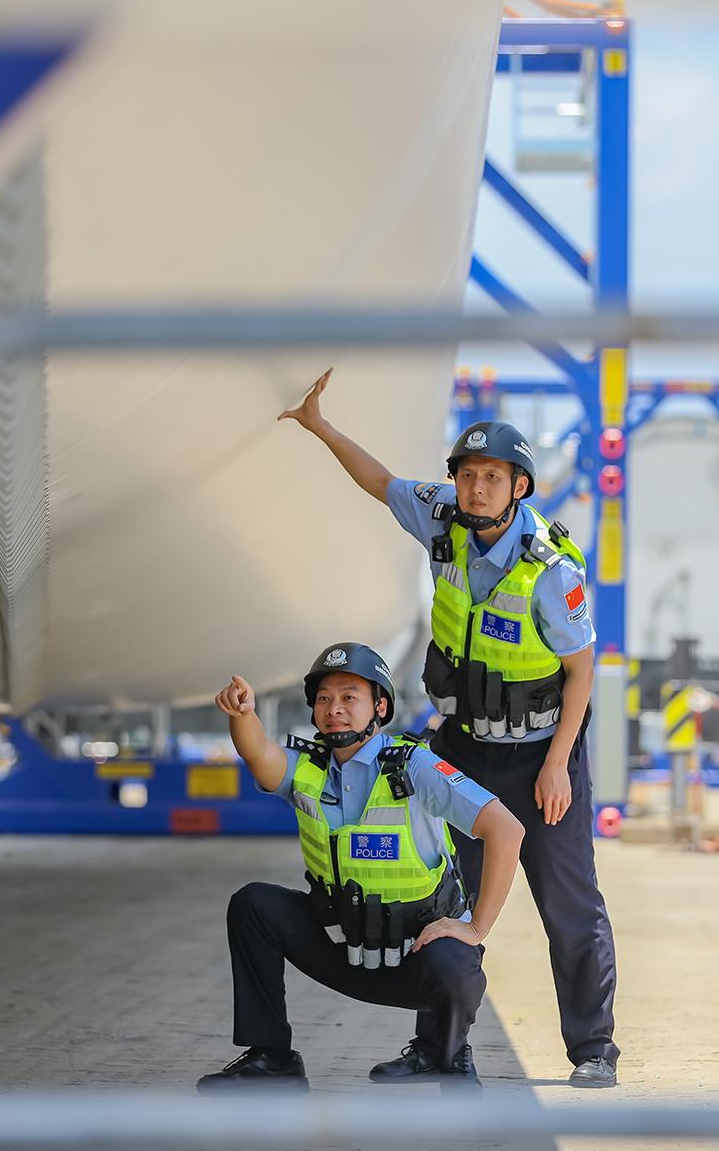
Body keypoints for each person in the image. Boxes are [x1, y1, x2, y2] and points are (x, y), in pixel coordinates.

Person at [280, 369, 622, 1088]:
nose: (475, 488)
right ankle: (440, 1048)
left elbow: (582, 672)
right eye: (467, 475)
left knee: (568, 905)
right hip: (463, 745)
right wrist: (319, 426)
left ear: (519, 486)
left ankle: (594, 1049)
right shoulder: (442, 520)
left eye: (492, 477)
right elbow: (381, 482)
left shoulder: (550, 571)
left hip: (540, 753)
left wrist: (557, 764)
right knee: (440, 900)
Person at [196, 643, 525, 1093]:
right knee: (253, 904)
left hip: (416, 958)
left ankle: (445, 1056)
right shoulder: (307, 769)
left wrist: (476, 927)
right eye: (324, 698)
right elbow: (259, 755)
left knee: (455, 960)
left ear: (380, 707)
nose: (334, 708)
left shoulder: (415, 766)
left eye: (349, 697)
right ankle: (272, 1059)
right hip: (343, 947)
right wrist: (243, 714)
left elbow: (506, 829)